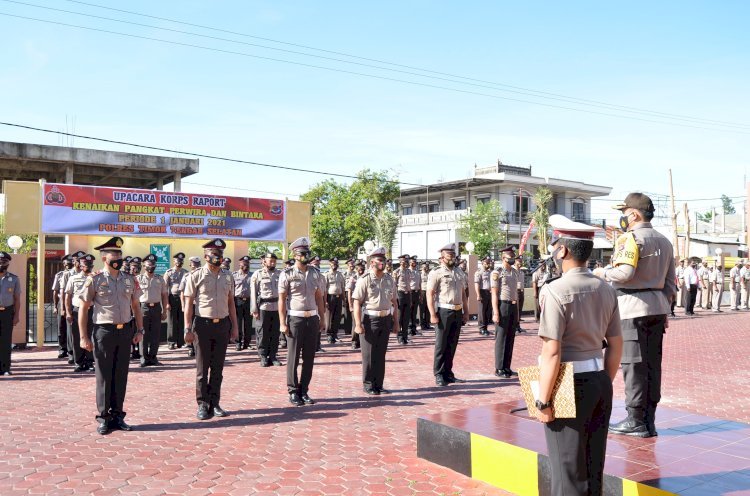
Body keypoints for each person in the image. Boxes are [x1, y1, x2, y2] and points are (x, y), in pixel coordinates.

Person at [535, 215, 623, 496]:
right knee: (593, 467)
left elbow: (552, 351)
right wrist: (603, 381)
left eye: (555, 244)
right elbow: (616, 343)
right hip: (599, 380)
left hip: (566, 385)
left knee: (567, 473)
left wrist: (543, 401)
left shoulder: (555, 290)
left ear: (563, 250)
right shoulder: (606, 289)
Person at [593, 193, 676, 438]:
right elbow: (671, 283)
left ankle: (635, 419)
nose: (622, 218)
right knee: (652, 365)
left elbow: (625, 273)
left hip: (632, 308)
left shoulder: (630, 238)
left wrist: (602, 272)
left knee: (633, 365)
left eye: (624, 212)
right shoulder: (665, 241)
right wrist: (665, 308)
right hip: (657, 309)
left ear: (634, 214)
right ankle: (648, 420)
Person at [78, 237, 144, 434]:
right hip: (104, 331)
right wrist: (83, 337)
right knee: (104, 375)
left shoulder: (129, 279)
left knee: (121, 375)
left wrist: (139, 330)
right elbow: (83, 308)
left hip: (125, 331)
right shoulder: (95, 279)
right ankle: (103, 418)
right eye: (114, 254)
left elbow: (136, 306)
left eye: (119, 254)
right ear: (104, 257)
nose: (118, 257)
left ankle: (117, 415)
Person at [183, 239, 239, 420]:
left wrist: (235, 327)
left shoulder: (227, 276)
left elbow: (231, 304)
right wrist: (187, 329)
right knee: (202, 368)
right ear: (206, 256)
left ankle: (215, 403)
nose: (219, 258)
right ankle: (202, 404)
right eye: (215, 255)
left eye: (220, 255)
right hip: (202, 326)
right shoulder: (196, 276)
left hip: (222, 325)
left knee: (217, 368)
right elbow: (188, 305)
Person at [279, 238, 326, 406]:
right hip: (295, 319)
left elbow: (319, 297)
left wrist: (322, 318)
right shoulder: (287, 274)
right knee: (293, 357)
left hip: (312, 318)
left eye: (307, 253)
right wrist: (282, 323)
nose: (305, 256)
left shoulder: (315, 273)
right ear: (295, 255)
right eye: (302, 254)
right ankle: (292, 391)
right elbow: (282, 299)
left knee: (309, 357)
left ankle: (303, 390)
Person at [352, 247, 399, 395]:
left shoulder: (389, 279)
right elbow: (357, 302)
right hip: (369, 320)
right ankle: (368, 384)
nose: (382, 263)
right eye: (380, 260)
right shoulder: (364, 279)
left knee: (380, 353)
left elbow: (394, 302)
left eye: (384, 260)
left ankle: (379, 384)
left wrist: (396, 322)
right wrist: (358, 324)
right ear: (372, 262)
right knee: (369, 354)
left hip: (385, 319)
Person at [426, 243, 468, 386]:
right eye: (449, 255)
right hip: (443, 311)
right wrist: (432, 314)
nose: (452, 257)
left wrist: (466, 311)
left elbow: (463, 293)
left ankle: (448, 373)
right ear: (442, 257)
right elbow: (430, 294)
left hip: (457, 311)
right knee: (441, 344)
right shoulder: (436, 272)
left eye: (453, 254)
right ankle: (439, 374)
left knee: (452, 343)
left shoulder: (459, 272)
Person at [491, 247, 521, 378]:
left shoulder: (514, 272)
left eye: (513, 256)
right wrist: (496, 312)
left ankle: (507, 367)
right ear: (503, 258)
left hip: (513, 306)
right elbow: (494, 293)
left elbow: (516, 293)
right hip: (503, 305)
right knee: (501, 338)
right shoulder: (497, 272)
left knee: (510, 338)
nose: (513, 259)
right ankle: (499, 368)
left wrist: (518, 312)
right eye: (510, 256)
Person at [64, 253, 96, 372]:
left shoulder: (95, 278)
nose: (88, 266)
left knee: (90, 335)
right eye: (85, 264)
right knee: (77, 336)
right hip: (77, 311)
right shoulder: (73, 278)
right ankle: (78, 362)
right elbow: (67, 296)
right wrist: (68, 312)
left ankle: (89, 361)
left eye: (90, 264)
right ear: (81, 265)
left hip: (91, 310)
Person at [135, 254, 168, 367]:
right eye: (149, 264)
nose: (151, 266)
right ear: (144, 266)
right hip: (144, 307)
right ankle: (143, 358)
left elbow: (164, 295)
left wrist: (164, 311)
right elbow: (133, 297)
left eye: (153, 264)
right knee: (143, 333)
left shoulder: (160, 278)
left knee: (155, 334)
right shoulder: (138, 279)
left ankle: (153, 357)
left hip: (157, 308)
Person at [251, 252, 282, 367]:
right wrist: (254, 309)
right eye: (271, 260)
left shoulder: (280, 274)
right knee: (262, 332)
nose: (273, 262)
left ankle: (273, 356)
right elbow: (253, 293)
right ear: (264, 261)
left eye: (274, 260)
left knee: (275, 332)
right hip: (263, 307)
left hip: (277, 307)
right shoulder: (257, 274)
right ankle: (263, 356)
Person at [0, 252, 21, 376]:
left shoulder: (14, 279)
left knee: (6, 341)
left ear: (8, 263)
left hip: (7, 312)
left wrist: (17, 315)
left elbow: (17, 299)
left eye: (4, 262)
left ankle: (5, 368)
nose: (1, 264)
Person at [51, 254, 74, 360]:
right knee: (61, 328)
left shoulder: (75, 274)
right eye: (66, 263)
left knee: (71, 328)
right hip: (61, 303)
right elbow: (55, 292)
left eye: (70, 263)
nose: (68, 265)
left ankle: (71, 349)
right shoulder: (59, 275)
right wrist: (56, 306)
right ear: (63, 264)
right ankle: (62, 349)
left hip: (72, 302)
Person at [164, 252, 188, 350]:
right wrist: (166, 303)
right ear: (174, 261)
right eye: (177, 260)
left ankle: (180, 342)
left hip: (184, 299)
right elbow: (165, 289)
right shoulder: (168, 272)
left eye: (181, 261)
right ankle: (171, 341)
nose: (179, 262)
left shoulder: (186, 272)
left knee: (182, 320)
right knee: (172, 321)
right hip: (172, 298)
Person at [180, 256, 202, 358]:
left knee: (197, 327)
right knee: (189, 326)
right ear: (190, 265)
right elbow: (182, 292)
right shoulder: (186, 276)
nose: (195, 266)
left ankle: (198, 347)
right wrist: (183, 305)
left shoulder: (203, 275)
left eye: (197, 265)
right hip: (190, 305)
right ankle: (190, 348)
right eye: (194, 265)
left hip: (200, 306)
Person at [232, 255, 254, 351]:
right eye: (244, 263)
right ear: (239, 264)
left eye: (247, 264)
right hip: (237, 301)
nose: (246, 265)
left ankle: (247, 343)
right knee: (238, 323)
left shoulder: (253, 275)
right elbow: (231, 290)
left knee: (248, 324)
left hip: (249, 301)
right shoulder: (234, 275)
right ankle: (238, 342)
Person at [323, 257, 346, 344]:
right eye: (333, 264)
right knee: (329, 317)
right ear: (330, 264)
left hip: (339, 297)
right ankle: (329, 335)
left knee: (337, 316)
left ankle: (335, 334)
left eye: (336, 264)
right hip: (330, 297)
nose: (334, 265)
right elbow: (325, 289)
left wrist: (344, 299)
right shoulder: (327, 274)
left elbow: (343, 288)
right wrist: (325, 301)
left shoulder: (340, 275)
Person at [393, 254, 412, 345]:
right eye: (405, 261)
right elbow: (394, 286)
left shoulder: (408, 271)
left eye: (407, 261)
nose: (406, 263)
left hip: (408, 294)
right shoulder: (396, 272)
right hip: (400, 295)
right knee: (400, 317)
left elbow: (409, 285)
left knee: (406, 317)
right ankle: (400, 337)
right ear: (401, 262)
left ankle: (405, 337)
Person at [347, 260, 366, 350]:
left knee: (364, 322)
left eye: (362, 267)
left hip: (365, 304)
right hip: (355, 304)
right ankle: (355, 342)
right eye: (359, 267)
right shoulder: (353, 278)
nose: (361, 269)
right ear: (356, 268)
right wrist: (350, 305)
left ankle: (363, 341)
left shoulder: (367, 277)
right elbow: (349, 292)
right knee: (355, 323)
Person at [128, 257, 143, 361]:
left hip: (140, 306)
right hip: (128, 307)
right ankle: (130, 350)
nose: (135, 269)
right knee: (130, 329)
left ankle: (137, 351)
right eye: (133, 267)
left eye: (137, 267)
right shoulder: (127, 278)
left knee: (138, 328)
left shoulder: (142, 278)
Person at [474, 256, 493, 336]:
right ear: (482, 263)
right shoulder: (479, 272)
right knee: (482, 312)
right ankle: (481, 328)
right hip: (482, 292)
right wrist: (478, 295)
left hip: (489, 293)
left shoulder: (490, 272)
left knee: (488, 311)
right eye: (486, 262)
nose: (488, 264)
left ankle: (486, 328)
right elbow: (477, 284)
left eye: (489, 262)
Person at [408, 256, 421, 336]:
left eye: (415, 262)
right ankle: (409, 329)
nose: (414, 264)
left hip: (416, 292)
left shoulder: (417, 272)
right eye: (413, 262)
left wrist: (420, 294)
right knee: (409, 311)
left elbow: (419, 283)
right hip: (410, 293)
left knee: (414, 311)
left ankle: (414, 328)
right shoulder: (408, 271)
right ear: (410, 263)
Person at [419, 261, 433, 331]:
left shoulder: (430, 274)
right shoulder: (419, 274)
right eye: (425, 266)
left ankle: (427, 324)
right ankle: (422, 324)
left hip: (429, 292)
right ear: (422, 267)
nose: (426, 268)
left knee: (428, 308)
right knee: (422, 309)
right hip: (422, 292)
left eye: (427, 266)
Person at [514, 258, 526, 334]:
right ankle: (515, 326)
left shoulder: (522, 272)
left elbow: (522, 283)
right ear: (515, 262)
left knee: (519, 310)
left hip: (521, 292)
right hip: (515, 292)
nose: (520, 263)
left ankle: (518, 326)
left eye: (521, 262)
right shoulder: (513, 271)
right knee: (516, 310)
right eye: (519, 262)